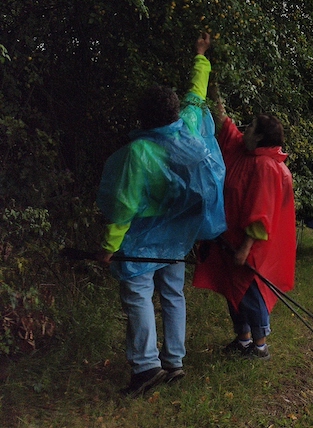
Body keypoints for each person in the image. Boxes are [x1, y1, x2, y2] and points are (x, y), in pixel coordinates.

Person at [96, 33, 226, 398]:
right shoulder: (187, 123)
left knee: (137, 293)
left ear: (142, 117)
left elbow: (124, 207)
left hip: (144, 235)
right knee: (172, 292)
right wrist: (201, 55)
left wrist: (108, 247)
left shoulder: (139, 152)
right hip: (179, 233)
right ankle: (174, 361)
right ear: (172, 111)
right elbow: (196, 92)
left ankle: (145, 367)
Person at [193, 105, 296, 359]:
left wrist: (246, 247)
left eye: (249, 126)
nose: (244, 129)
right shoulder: (249, 154)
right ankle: (243, 340)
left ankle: (260, 347)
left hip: (250, 246)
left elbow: (261, 212)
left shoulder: (265, 166)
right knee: (233, 291)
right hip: (233, 240)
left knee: (251, 292)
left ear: (259, 137)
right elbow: (230, 132)